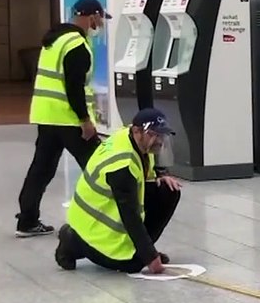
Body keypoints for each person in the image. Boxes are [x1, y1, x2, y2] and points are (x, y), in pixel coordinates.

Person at [15, 0, 110, 237]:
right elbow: (74, 86)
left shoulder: (55, 40)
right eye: (100, 18)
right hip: (69, 120)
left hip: (46, 117)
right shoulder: (76, 44)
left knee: (41, 169)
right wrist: (85, 120)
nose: (100, 24)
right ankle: (108, 218)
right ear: (92, 17)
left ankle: (27, 221)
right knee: (98, 166)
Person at [54, 109, 183, 274]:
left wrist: (161, 176)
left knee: (168, 191)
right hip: (91, 226)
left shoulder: (134, 140)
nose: (158, 141)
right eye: (153, 135)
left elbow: (145, 176)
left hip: (109, 204)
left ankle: (142, 250)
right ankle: (72, 241)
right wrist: (150, 257)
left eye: (161, 136)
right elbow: (129, 215)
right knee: (134, 266)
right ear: (137, 131)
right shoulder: (121, 165)